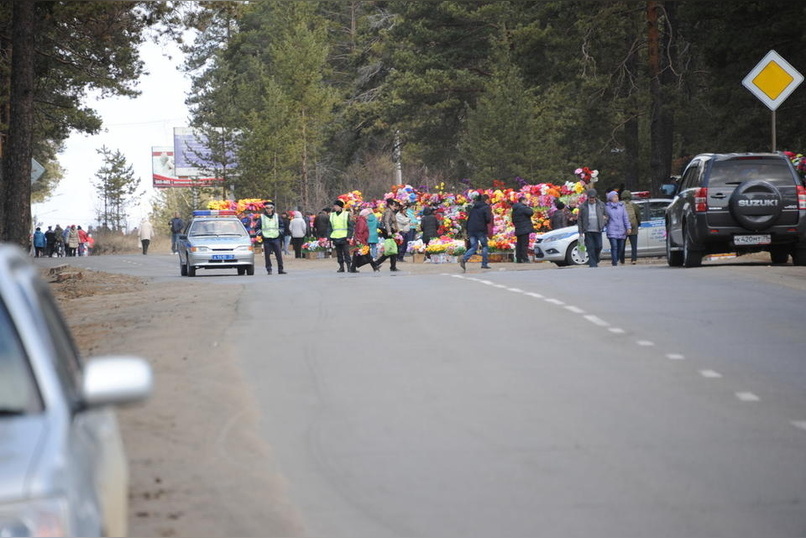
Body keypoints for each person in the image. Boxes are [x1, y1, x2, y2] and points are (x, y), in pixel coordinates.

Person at [459, 192, 492, 272]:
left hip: (471, 229)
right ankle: (484, 264)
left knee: (474, 246)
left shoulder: (474, 207)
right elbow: (488, 219)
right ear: (486, 200)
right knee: (484, 246)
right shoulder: (486, 207)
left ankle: (464, 258)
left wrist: (467, 229)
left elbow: (469, 218)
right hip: (481, 229)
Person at [577, 189, 607, 268]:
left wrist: (603, 221)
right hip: (588, 230)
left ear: (595, 197)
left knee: (599, 246)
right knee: (590, 247)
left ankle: (596, 259)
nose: (591, 199)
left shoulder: (601, 204)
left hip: (598, 229)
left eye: (593, 198)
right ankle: (592, 264)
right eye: (590, 198)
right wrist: (580, 231)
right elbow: (579, 219)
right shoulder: (583, 206)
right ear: (588, 197)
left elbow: (606, 215)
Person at [258, 201, 286, 274]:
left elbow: (282, 225)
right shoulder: (262, 217)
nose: (269, 209)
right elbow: (257, 227)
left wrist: (280, 233)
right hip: (266, 238)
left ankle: (280, 269)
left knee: (279, 255)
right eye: (267, 208)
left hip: (276, 238)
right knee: (267, 256)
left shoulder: (277, 216)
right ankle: (269, 269)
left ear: (273, 208)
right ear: (265, 209)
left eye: (270, 208)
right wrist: (261, 234)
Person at [604, 191, 631, 267]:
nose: (616, 198)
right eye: (614, 197)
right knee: (614, 246)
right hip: (612, 229)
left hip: (621, 229)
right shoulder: (607, 207)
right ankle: (614, 262)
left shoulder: (621, 206)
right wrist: (605, 220)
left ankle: (617, 259)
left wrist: (628, 227)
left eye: (617, 197)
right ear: (610, 198)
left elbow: (625, 217)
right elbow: (605, 218)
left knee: (621, 248)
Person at [349, 208, 379, 273]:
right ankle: (375, 267)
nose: (368, 216)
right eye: (368, 215)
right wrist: (358, 240)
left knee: (356, 255)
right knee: (367, 254)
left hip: (361, 240)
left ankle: (353, 268)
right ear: (364, 215)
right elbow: (360, 231)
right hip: (361, 241)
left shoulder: (361, 220)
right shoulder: (362, 221)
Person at [374, 198, 400, 272]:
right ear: (390, 205)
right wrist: (389, 231)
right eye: (394, 205)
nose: (395, 207)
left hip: (389, 231)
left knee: (392, 249)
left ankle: (392, 266)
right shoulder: (388, 211)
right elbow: (386, 221)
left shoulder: (390, 211)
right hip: (388, 231)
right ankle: (377, 263)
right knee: (391, 249)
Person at [328, 200, 353, 273]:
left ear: (341, 207)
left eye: (336, 206)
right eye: (334, 206)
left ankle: (349, 266)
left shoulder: (346, 214)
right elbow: (329, 227)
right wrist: (329, 237)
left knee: (346, 252)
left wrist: (349, 236)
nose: (335, 207)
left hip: (344, 236)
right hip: (335, 236)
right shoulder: (332, 215)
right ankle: (341, 267)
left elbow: (350, 226)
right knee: (338, 253)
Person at [620, 190, 642, 265]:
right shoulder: (634, 205)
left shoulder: (620, 205)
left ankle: (622, 260)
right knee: (634, 245)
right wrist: (638, 224)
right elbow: (638, 216)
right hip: (633, 226)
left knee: (622, 244)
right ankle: (634, 259)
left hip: (623, 227)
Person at [511, 196, 534, 263]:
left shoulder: (515, 209)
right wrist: (527, 206)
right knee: (524, 244)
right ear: (523, 201)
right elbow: (530, 212)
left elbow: (513, 219)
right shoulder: (523, 208)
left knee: (519, 244)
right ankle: (525, 258)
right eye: (526, 201)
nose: (527, 202)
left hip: (518, 228)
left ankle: (519, 258)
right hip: (524, 228)